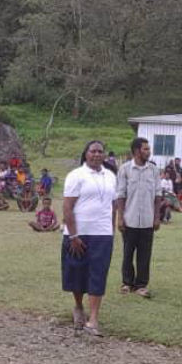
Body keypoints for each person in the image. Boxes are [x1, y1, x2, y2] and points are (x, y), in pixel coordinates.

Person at [62, 140, 117, 337]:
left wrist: (111, 231)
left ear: (104, 155)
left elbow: (113, 206)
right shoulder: (76, 175)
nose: (96, 154)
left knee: (98, 274)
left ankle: (93, 319)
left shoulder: (111, 176)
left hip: (102, 234)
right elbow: (67, 207)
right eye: (92, 151)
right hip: (79, 232)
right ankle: (78, 306)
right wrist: (73, 234)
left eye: (100, 151)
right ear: (85, 154)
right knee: (77, 271)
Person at [114, 137, 163, 299]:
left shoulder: (154, 170)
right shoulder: (125, 169)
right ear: (136, 151)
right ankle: (127, 283)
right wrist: (120, 218)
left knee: (145, 254)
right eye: (145, 149)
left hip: (148, 221)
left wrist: (157, 217)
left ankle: (141, 285)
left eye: (148, 149)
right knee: (128, 253)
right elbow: (120, 195)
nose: (148, 152)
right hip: (129, 219)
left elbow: (157, 195)